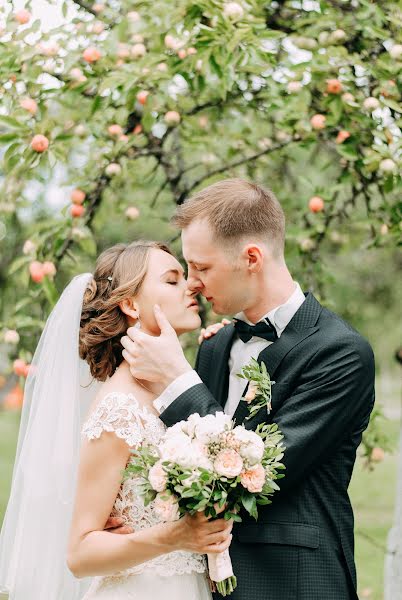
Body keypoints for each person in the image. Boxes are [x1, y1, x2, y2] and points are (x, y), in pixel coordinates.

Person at [121, 178, 376, 600]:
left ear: (251, 258)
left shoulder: (341, 353)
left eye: (201, 268)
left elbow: (259, 474)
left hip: (293, 584)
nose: (191, 284)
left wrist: (177, 380)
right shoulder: (215, 345)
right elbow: (189, 467)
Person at [0, 240, 232, 600]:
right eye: (172, 280)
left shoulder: (178, 391)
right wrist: (176, 536)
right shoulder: (119, 408)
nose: (191, 287)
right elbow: (80, 554)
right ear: (130, 304)